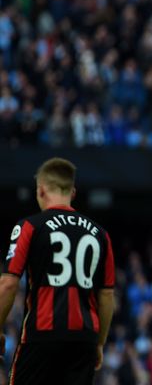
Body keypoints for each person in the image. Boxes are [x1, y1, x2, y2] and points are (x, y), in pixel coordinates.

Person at [0, 158, 115, 384]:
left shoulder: (29, 226)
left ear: (41, 190)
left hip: (41, 336)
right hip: (84, 340)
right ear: (72, 192)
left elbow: (8, 283)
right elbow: (107, 295)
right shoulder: (101, 234)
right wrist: (99, 343)